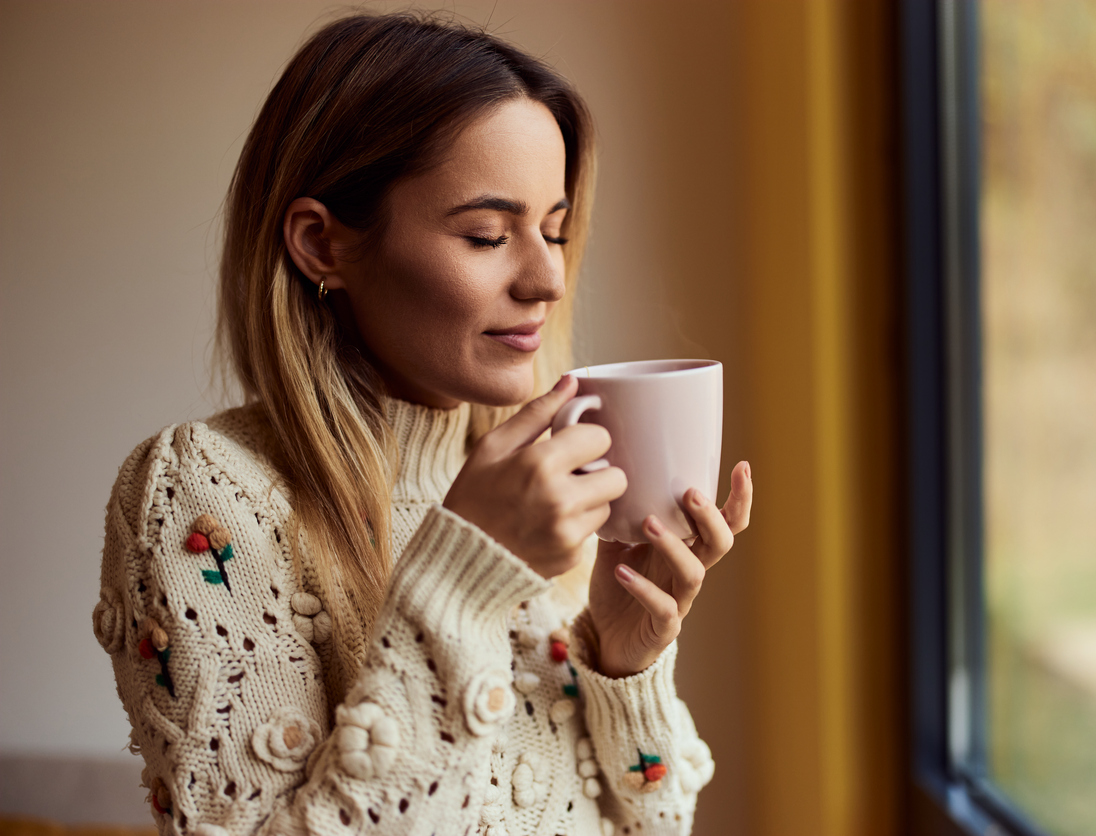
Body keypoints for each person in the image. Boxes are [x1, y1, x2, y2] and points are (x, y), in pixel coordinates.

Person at [90, 11, 751, 836]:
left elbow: (653, 824)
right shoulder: (206, 494)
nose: (547, 278)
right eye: (485, 234)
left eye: (555, 229)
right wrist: (458, 585)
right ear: (320, 245)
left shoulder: (540, 484)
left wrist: (625, 659)